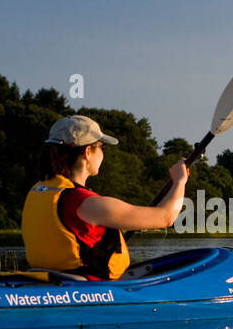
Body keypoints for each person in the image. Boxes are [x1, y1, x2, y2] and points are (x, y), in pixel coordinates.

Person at [21, 115, 189, 280]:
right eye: (102, 147)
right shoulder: (88, 204)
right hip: (87, 290)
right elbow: (167, 217)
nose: (103, 153)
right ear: (88, 152)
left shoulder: (39, 191)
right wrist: (179, 181)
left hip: (45, 282)